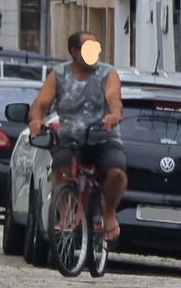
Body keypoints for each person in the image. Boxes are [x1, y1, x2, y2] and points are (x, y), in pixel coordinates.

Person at [27, 30, 126, 241]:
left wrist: (114, 115)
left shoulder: (108, 73)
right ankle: (65, 214)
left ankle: (108, 213)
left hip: (103, 138)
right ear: (74, 52)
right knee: (60, 163)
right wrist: (36, 120)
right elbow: (40, 104)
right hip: (71, 139)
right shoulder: (59, 74)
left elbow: (114, 97)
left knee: (117, 171)